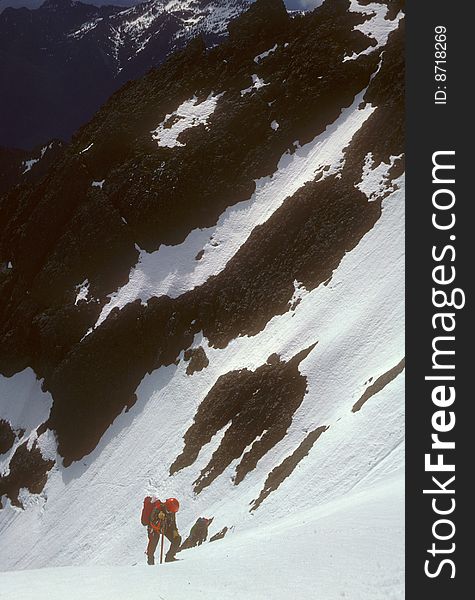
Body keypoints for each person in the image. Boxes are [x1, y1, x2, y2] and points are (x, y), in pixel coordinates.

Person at [144, 497, 182, 565]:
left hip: (165, 527)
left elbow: (173, 521)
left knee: (177, 539)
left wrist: (175, 530)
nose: (171, 513)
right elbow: (152, 523)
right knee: (153, 544)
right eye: (170, 511)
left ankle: (169, 557)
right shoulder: (158, 509)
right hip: (154, 528)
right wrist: (159, 519)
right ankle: (150, 562)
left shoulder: (171, 510)